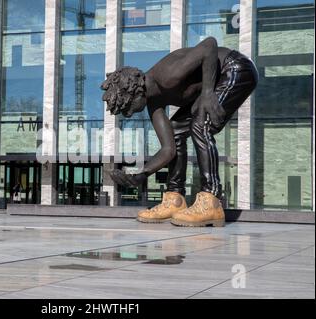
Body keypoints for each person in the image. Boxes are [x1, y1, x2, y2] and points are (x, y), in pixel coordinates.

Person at [101, 37, 258, 227]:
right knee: (175, 132)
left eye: (127, 107)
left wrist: (208, 93)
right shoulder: (154, 101)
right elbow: (168, 150)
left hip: (235, 69)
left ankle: (211, 200)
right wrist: (142, 174)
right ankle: (175, 200)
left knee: (200, 124)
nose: (129, 113)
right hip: (215, 81)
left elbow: (209, 45)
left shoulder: (167, 76)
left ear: (135, 91)